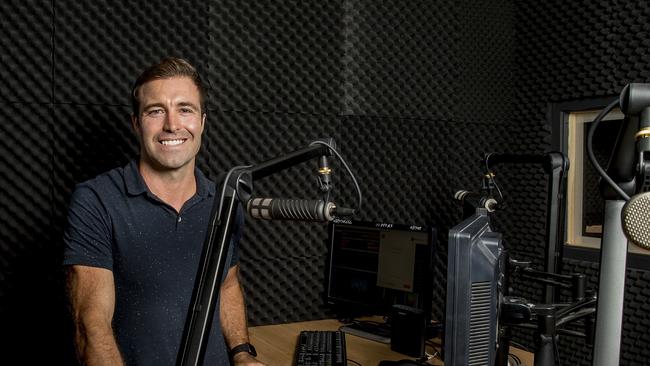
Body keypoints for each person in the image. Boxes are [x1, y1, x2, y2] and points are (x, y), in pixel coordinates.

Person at [63, 57, 265, 366]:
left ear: (203, 121)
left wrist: (241, 353)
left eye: (185, 109)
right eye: (156, 111)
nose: (172, 124)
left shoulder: (224, 201)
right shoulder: (96, 199)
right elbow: (90, 324)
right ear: (136, 123)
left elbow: (226, 284)